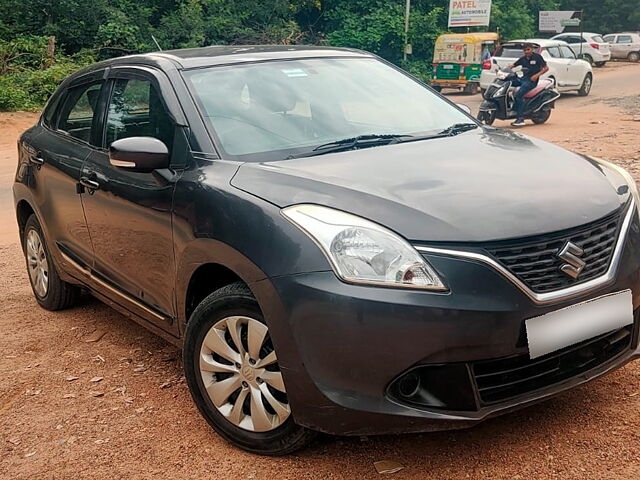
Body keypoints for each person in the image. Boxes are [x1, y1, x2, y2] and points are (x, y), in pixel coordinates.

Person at [508, 44, 549, 127]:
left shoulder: (537, 57)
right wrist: (505, 70)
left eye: (528, 49)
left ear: (532, 49)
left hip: (531, 81)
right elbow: (512, 65)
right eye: (525, 50)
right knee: (508, 84)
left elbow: (546, 68)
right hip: (523, 79)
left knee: (519, 95)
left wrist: (537, 75)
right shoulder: (522, 59)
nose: (526, 52)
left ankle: (520, 118)